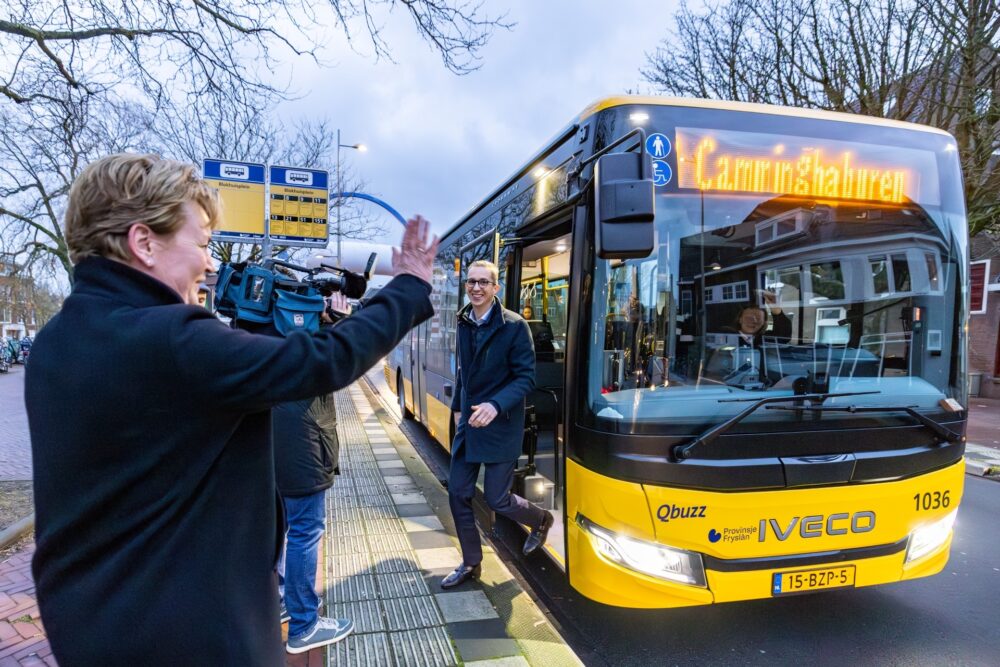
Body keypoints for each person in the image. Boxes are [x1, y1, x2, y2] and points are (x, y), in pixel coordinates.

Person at [24, 153, 438, 666]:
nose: (208, 263)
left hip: (92, 623)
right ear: (144, 242)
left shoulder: (56, 342)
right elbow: (322, 361)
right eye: (201, 243)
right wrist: (409, 286)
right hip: (190, 633)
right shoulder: (169, 340)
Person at [441, 260, 553, 589]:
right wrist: (458, 411)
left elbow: (526, 378)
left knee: (496, 499)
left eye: (483, 283)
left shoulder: (515, 326)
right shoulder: (463, 320)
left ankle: (541, 519)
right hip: (470, 424)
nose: (476, 288)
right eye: (471, 282)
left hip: (501, 424)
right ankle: (471, 563)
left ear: (495, 288)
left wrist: (495, 404)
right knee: (457, 493)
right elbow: (464, 373)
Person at [273, 292, 350, 654]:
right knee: (305, 531)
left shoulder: (265, 329)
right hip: (303, 447)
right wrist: (339, 323)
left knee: (284, 528)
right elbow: (340, 364)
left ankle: (285, 599)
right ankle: (304, 624)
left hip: (275, 446)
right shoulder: (304, 339)